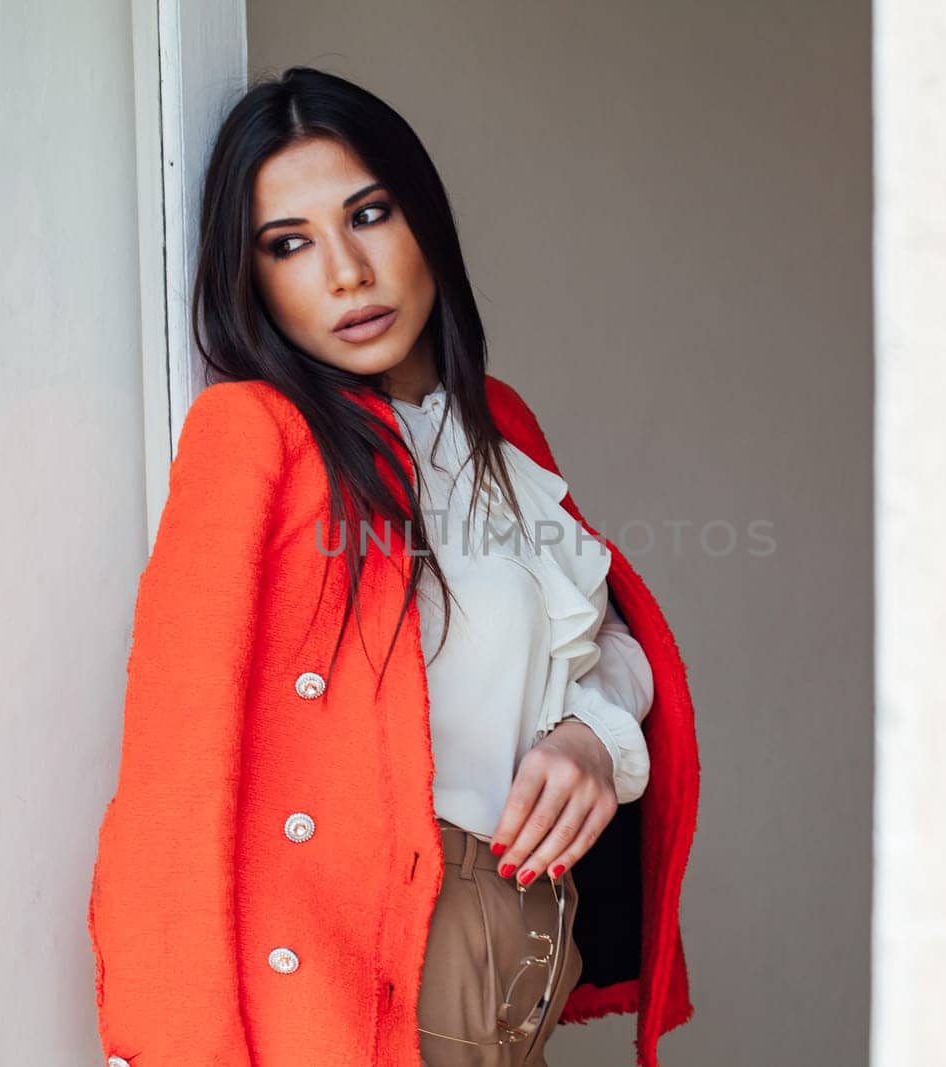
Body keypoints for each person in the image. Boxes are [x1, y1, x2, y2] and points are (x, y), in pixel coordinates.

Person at [86, 66, 700, 1067]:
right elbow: (176, 768)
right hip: (354, 987)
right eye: (289, 244)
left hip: (514, 973)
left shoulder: (501, 429)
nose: (345, 273)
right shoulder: (256, 437)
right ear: (251, 278)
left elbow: (606, 637)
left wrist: (593, 734)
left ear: (424, 221)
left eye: (368, 215)